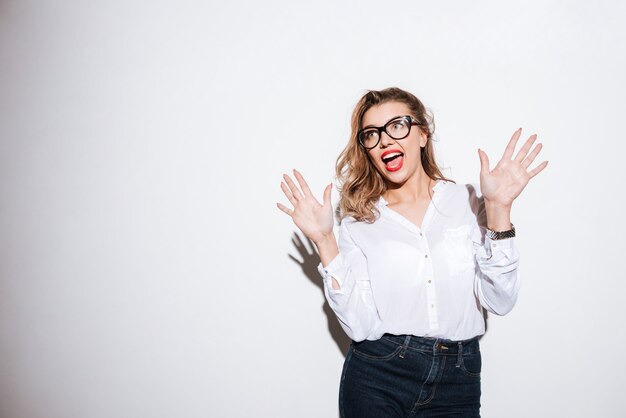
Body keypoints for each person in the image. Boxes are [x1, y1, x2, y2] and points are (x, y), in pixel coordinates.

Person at [276, 87, 547, 417]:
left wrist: (499, 207)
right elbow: (360, 327)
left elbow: (500, 301)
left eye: (397, 126)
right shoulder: (359, 223)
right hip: (378, 374)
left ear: (422, 134)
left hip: (458, 378)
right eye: (371, 135)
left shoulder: (468, 202)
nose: (385, 140)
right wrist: (324, 241)